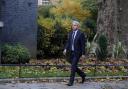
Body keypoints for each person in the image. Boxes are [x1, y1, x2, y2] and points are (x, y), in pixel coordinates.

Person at [63, 20, 87, 86]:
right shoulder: (70, 33)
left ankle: (71, 82)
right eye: (73, 25)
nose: (74, 26)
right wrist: (65, 49)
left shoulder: (81, 33)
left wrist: (83, 53)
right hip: (71, 52)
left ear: (78, 26)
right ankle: (83, 74)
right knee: (73, 65)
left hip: (77, 53)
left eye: (75, 25)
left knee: (73, 66)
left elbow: (83, 44)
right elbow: (68, 42)